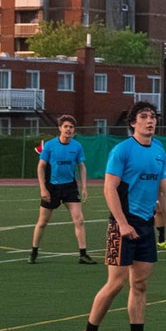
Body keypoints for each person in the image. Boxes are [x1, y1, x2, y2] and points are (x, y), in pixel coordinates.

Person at [79, 102, 166, 331]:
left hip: (145, 225)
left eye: (153, 117)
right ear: (133, 123)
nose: (150, 121)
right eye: (144, 117)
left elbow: (164, 190)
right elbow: (109, 188)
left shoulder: (158, 149)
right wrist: (122, 224)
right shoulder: (122, 151)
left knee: (141, 284)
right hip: (121, 225)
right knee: (115, 284)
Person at [31, 114, 95, 266]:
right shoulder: (50, 146)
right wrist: (43, 189)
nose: (68, 129)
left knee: (79, 220)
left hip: (70, 187)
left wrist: (84, 186)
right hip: (52, 187)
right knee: (42, 222)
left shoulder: (77, 146)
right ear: (60, 128)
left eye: (71, 127)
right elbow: (41, 167)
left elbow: (81, 166)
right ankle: (33, 251)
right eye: (65, 126)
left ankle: (83, 254)